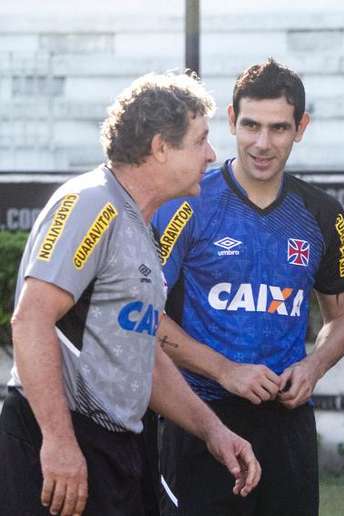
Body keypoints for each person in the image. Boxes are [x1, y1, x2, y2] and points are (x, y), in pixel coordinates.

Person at [0, 72, 261, 516]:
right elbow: (31, 319)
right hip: (63, 438)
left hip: (120, 447)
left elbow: (142, 354)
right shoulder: (92, 203)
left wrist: (212, 431)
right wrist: (60, 443)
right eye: (200, 140)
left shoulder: (138, 224)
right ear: (161, 147)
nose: (212, 154)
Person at [152, 58, 344, 516]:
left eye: (279, 129)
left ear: (301, 127)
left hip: (286, 430)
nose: (262, 144)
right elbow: (146, 318)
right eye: (250, 126)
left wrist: (314, 366)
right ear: (230, 120)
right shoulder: (186, 203)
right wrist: (226, 370)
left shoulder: (323, 214)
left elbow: (342, 320)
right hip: (199, 419)